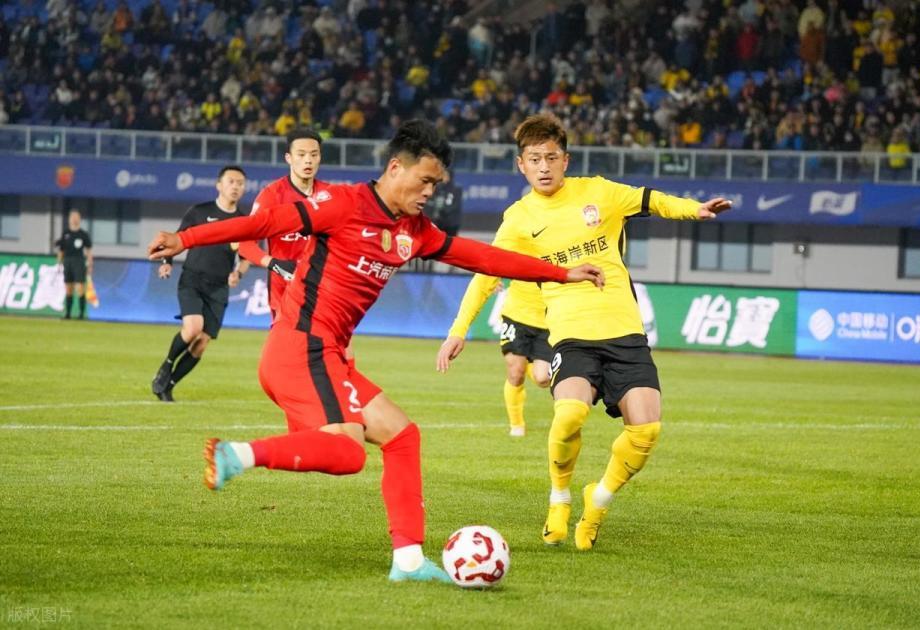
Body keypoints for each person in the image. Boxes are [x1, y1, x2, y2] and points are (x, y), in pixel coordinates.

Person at [146, 120, 604, 583]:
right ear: (395, 168)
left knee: (403, 437)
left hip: (328, 354)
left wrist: (560, 273)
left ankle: (408, 560)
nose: (430, 193)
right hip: (300, 346)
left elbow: (481, 256)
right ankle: (237, 455)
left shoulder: (414, 230)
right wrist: (184, 239)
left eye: (436, 184)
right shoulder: (344, 204)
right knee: (349, 453)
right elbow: (265, 223)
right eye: (425, 181)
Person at [436, 113, 731, 551]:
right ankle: (559, 498)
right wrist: (458, 329)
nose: (543, 167)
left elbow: (650, 200)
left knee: (647, 432)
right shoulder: (519, 218)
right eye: (534, 159)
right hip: (571, 335)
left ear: (566, 160)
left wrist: (694, 209)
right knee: (569, 414)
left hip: (625, 331)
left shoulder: (598, 192)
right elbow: (486, 273)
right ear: (521, 165)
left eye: (551, 157)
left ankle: (599, 500)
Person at [150, 165, 251, 402]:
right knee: (193, 328)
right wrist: (167, 262)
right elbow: (175, 240)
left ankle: (168, 386)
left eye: (240, 183)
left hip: (219, 287)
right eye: (231, 182)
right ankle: (166, 365)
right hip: (193, 280)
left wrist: (238, 273)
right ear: (219, 185)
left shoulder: (245, 222)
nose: (235, 187)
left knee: (202, 343)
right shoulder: (199, 212)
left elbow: (247, 257)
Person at [238, 128, 329, 321]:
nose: (308, 160)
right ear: (289, 158)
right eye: (301, 154)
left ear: (320, 158)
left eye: (314, 155)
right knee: (287, 340)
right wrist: (275, 264)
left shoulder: (330, 196)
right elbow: (245, 245)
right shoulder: (272, 195)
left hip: (324, 289)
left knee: (336, 340)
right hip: (284, 291)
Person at [446, 278, 551, 437]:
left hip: (549, 321)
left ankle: (528, 366)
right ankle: (517, 425)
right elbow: (489, 269)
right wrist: (494, 275)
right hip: (516, 315)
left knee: (542, 378)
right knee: (515, 372)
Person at [55, 209, 93, 320]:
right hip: (67, 261)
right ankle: (68, 314)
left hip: (79, 261)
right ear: (69, 219)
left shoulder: (83, 234)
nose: (74, 219)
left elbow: (88, 250)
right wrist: (59, 262)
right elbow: (61, 249)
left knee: (80, 287)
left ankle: (81, 314)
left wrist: (90, 264)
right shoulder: (66, 233)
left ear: (79, 219)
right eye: (72, 217)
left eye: (77, 217)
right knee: (68, 288)